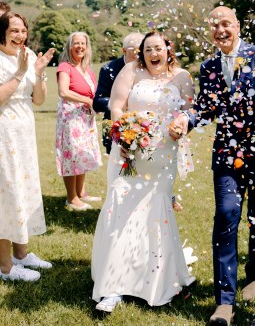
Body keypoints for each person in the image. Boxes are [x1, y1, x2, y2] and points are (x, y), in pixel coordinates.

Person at [170, 6, 255, 326]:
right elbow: (206, 108)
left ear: (237, 26)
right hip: (227, 156)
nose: (220, 30)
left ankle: (254, 276)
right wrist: (186, 119)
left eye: (225, 24)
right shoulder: (209, 65)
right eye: (214, 25)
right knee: (226, 216)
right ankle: (224, 302)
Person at [91, 31, 195, 313]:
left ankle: (155, 278)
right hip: (130, 152)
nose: (153, 54)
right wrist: (123, 137)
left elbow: (190, 111)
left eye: (158, 48)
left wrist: (181, 125)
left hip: (163, 154)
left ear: (168, 50)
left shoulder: (182, 77)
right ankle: (113, 287)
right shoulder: (130, 71)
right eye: (148, 49)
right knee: (122, 211)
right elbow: (116, 105)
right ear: (142, 53)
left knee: (154, 213)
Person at [0, 11, 55, 281]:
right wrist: (20, 73)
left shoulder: (29, 54)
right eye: (14, 30)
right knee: (7, 191)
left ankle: (21, 254)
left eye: (23, 30)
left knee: (22, 188)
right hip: (3, 132)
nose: (20, 35)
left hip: (24, 132)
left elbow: (39, 100)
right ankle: (5, 267)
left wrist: (39, 74)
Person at [55, 31, 102, 212]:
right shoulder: (65, 66)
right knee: (72, 155)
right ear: (69, 46)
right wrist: (87, 101)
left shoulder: (87, 69)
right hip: (71, 119)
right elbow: (63, 91)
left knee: (83, 153)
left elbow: (94, 94)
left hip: (85, 119)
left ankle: (81, 193)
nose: (80, 46)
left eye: (83, 43)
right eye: (76, 43)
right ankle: (71, 198)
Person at [93, 33, 144, 154]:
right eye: (134, 50)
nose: (139, 53)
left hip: (143, 128)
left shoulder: (148, 68)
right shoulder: (109, 68)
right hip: (116, 127)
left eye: (141, 49)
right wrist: (118, 104)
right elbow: (98, 102)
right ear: (124, 50)